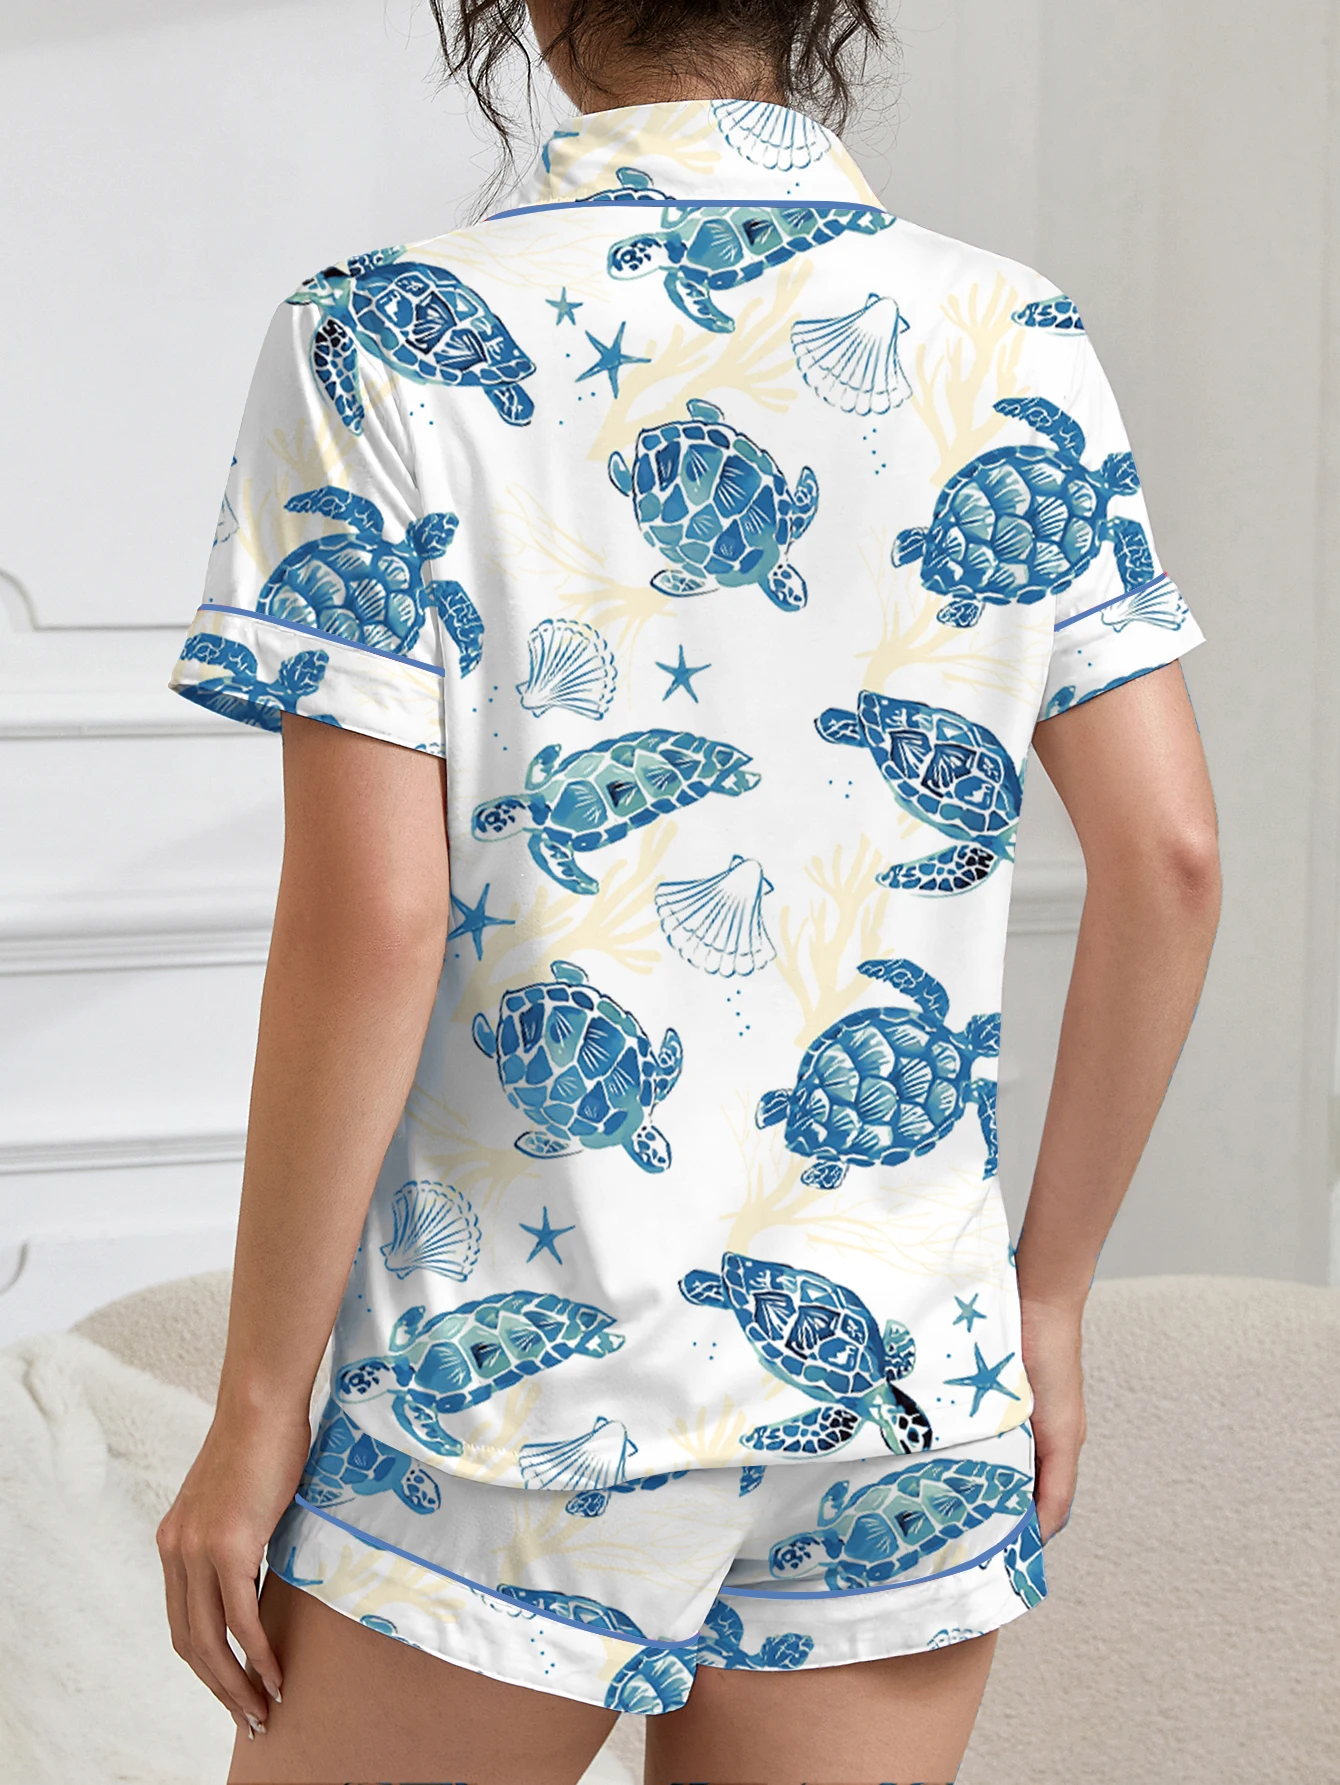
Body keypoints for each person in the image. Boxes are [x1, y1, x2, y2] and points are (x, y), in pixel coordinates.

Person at [156, 1, 1221, 1779]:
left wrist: (257, 1413)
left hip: (517, 1421)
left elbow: (377, 922)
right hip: (904, 1388)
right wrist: (1044, 1300)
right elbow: (1172, 859)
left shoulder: (374, 337)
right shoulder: (1011, 328)